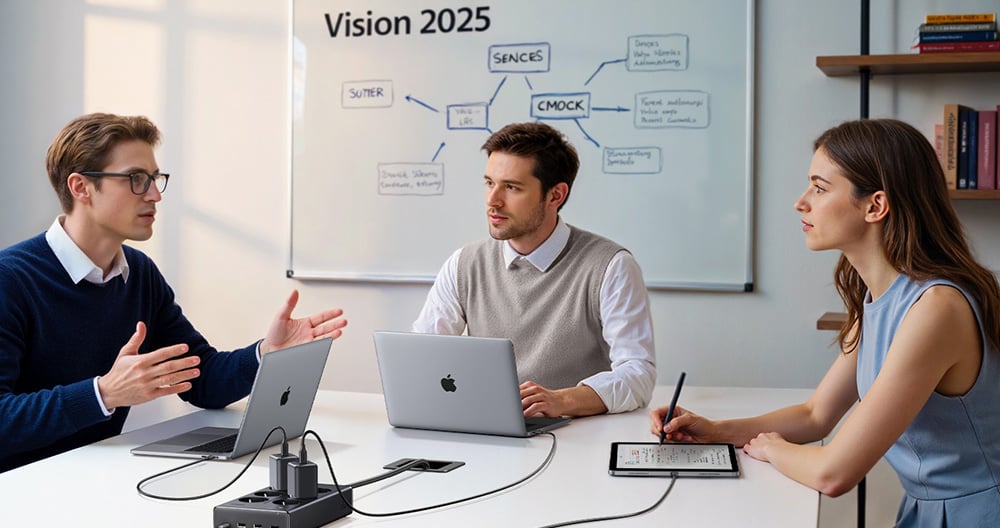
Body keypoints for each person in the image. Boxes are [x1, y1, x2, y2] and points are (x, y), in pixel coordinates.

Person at [650, 118, 1000, 528]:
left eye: (819, 187)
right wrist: (716, 430)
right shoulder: (876, 297)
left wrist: (768, 447)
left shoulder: (937, 308)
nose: (801, 202)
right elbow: (816, 416)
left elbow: (834, 473)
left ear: (874, 206)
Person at [0, 113, 348, 472]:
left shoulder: (138, 274)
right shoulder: (10, 279)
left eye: (154, 179)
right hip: (20, 495)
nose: (154, 195)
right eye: (136, 179)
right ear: (81, 187)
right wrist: (103, 394)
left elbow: (202, 380)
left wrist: (266, 353)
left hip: (94, 479)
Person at [413, 121, 655, 419]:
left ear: (556, 195)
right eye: (489, 183)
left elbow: (638, 373)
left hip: (577, 438)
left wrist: (562, 400)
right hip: (486, 428)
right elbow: (421, 355)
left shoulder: (610, 266)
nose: (493, 201)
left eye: (511, 187)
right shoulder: (464, 263)